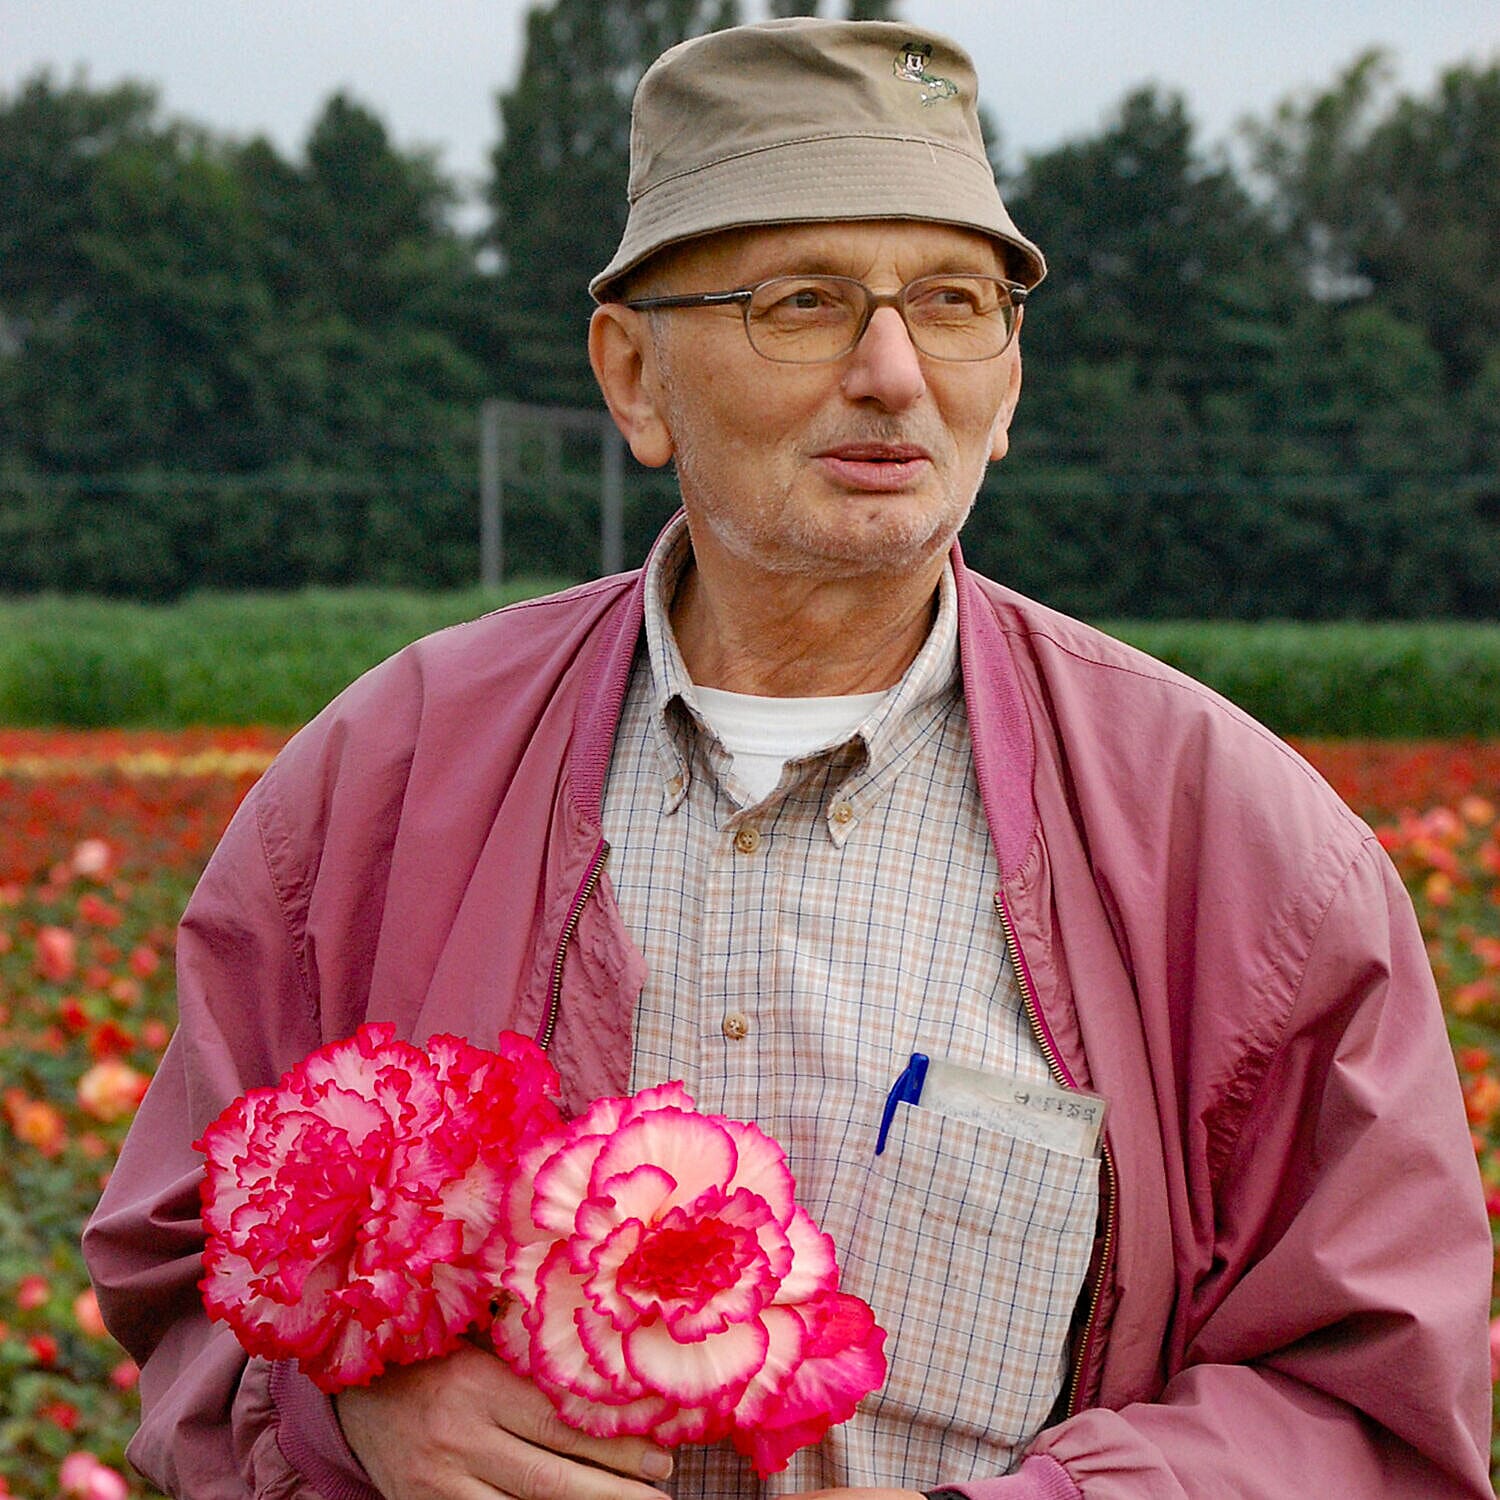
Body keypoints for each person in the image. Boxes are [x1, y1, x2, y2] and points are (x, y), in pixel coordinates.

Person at [83, 18, 1494, 1500]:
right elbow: (190, 1258)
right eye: (803, 301)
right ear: (633, 377)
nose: (892, 371)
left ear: (1007, 387)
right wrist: (343, 1417)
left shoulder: (1240, 849)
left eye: (953, 302)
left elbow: (1364, 1397)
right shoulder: (383, 782)